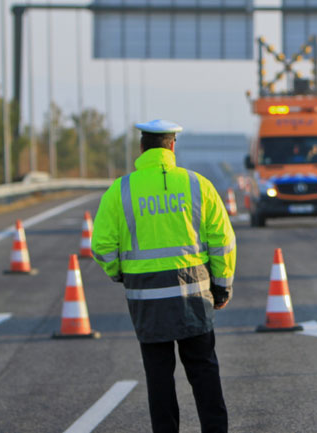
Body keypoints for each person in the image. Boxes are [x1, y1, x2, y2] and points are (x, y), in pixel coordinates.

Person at [91, 119, 236, 433]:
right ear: (172, 147)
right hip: (194, 295)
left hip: (146, 297)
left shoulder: (121, 189)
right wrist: (221, 287)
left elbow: (102, 245)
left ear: (142, 148)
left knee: (158, 376)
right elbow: (222, 240)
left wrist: (119, 273)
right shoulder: (198, 185)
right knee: (203, 370)